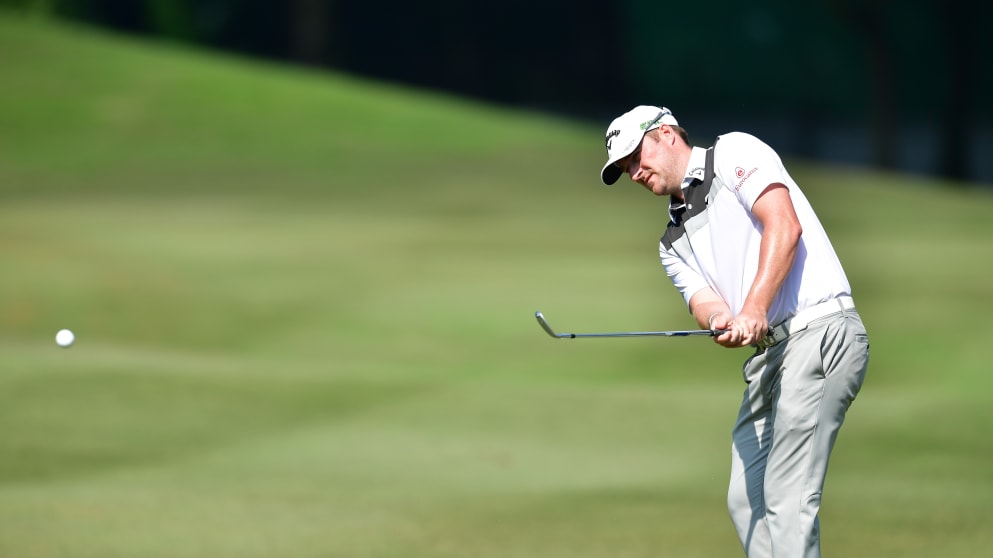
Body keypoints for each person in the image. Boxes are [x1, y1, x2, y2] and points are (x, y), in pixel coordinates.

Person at [599, 105, 870, 558]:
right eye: (625, 168)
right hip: (770, 357)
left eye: (635, 156)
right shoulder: (671, 243)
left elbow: (784, 225)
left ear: (665, 133)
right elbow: (704, 302)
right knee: (747, 499)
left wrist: (755, 307)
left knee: (787, 497)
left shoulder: (732, 153)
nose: (634, 173)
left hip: (819, 330)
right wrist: (720, 321)